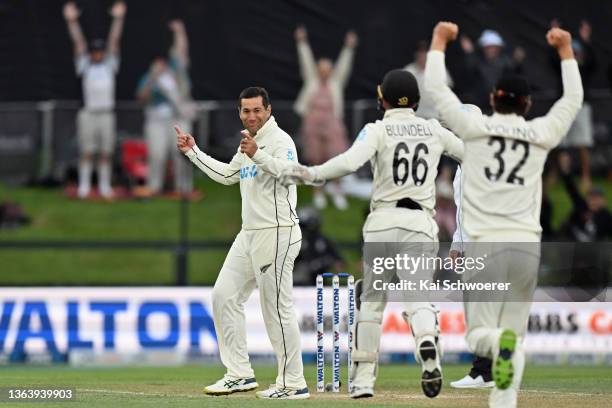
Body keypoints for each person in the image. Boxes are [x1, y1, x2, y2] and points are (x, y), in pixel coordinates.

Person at [425, 22, 582, 408]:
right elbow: (572, 99)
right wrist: (566, 52)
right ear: (527, 105)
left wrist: (438, 43)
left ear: (493, 98)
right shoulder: (541, 132)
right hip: (527, 248)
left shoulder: (474, 131)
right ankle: (504, 399)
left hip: (484, 245)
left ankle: (500, 349)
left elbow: (435, 89)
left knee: (482, 337)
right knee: (514, 339)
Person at [280, 69, 464, 399]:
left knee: (372, 304)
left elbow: (349, 163)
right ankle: (425, 342)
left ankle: (363, 382)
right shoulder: (434, 129)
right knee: (418, 296)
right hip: (419, 224)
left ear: (383, 99)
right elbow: (472, 156)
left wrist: (312, 174)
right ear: (416, 100)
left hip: (382, 224)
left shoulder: (376, 130)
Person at [175, 87, 309, 400]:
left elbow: (292, 175)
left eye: (256, 110)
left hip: (278, 232)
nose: (251, 116)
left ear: (269, 110)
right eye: (245, 110)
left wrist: (257, 154)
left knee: (276, 308)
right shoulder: (246, 143)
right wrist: (192, 152)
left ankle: (293, 382)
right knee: (224, 296)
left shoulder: (280, 141)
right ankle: (239, 374)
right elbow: (226, 176)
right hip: (249, 234)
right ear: (239, 112)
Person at [63, 1, 126, 199]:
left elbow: (114, 40)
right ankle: (84, 187)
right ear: (91, 53)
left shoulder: (109, 65)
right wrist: (71, 22)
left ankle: (105, 187)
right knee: (87, 152)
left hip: (106, 113)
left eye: (100, 51)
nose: (98, 54)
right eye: (95, 52)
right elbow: (79, 43)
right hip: (88, 113)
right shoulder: (85, 66)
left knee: (106, 152)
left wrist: (118, 18)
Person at [294, 26, 358, 210]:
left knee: (336, 156)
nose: (324, 72)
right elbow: (305, 61)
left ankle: (337, 191)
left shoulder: (335, 83)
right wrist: (301, 42)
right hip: (313, 124)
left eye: (327, 70)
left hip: (332, 123)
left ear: (330, 71)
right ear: (317, 70)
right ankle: (318, 192)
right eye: (321, 69)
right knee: (315, 158)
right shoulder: (311, 81)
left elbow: (344, 66)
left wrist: (349, 47)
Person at [137, 19, 195, 197]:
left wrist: (179, 31)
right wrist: (153, 78)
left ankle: (183, 187)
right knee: (157, 154)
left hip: (179, 117)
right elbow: (142, 97)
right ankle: (154, 186)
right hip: (156, 120)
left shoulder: (177, 69)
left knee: (182, 153)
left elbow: (182, 50)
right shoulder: (150, 77)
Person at [449, 166, 495, 389]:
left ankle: (484, 371)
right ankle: (486, 372)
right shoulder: (460, 168)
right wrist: (457, 244)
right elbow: (462, 212)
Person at [553, 20, 597, 193]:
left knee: (582, 143)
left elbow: (593, 64)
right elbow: (552, 62)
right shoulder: (561, 59)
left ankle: (586, 176)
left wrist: (586, 41)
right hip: (563, 103)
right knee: (558, 141)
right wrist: (555, 39)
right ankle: (557, 173)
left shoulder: (585, 58)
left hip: (581, 104)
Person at [460, 29, 525, 110]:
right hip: (480, 106)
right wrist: (469, 53)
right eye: (488, 47)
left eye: (494, 47)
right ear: (483, 48)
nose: (491, 50)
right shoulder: (477, 62)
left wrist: (517, 60)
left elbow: (515, 70)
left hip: (501, 106)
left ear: (499, 49)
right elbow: (469, 68)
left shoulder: (506, 62)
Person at [405, 41, 453, 120]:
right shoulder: (408, 71)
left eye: (425, 55)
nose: (422, 58)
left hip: (435, 116)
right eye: (420, 55)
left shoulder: (439, 70)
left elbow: (448, 91)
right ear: (416, 56)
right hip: (415, 117)